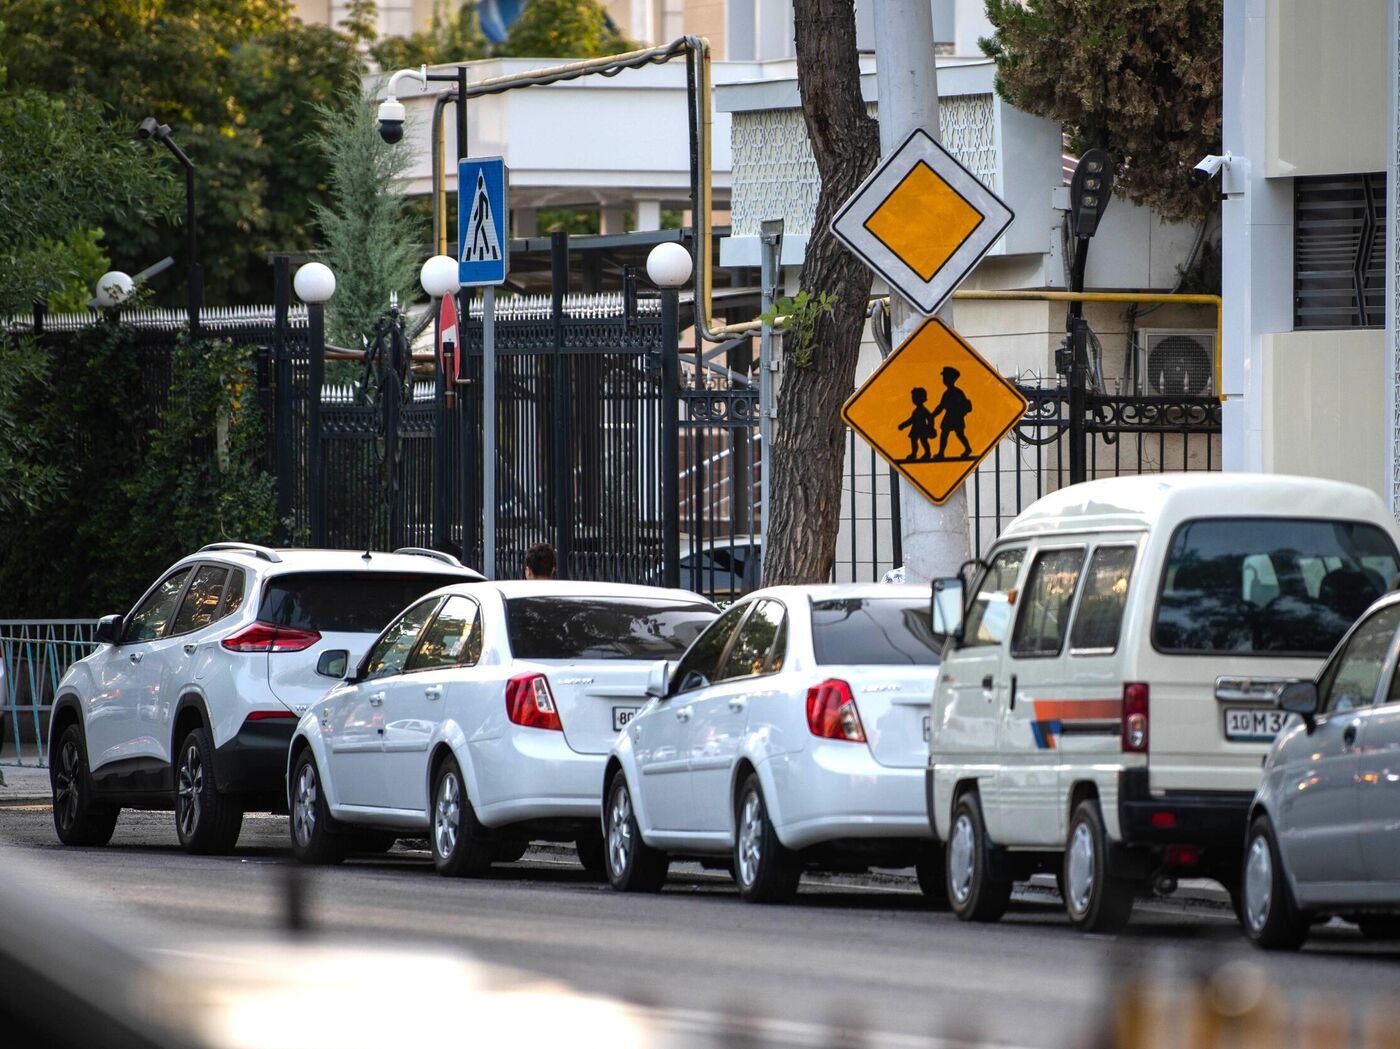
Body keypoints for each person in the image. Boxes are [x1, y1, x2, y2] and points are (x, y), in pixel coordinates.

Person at [930, 366, 973, 460]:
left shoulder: (955, 392)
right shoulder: (948, 392)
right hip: (950, 417)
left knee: (957, 434)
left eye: (945, 377)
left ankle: (967, 448)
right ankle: (942, 452)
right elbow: (941, 406)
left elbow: (941, 407)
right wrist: (932, 415)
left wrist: (933, 415)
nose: (943, 379)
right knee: (946, 433)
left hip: (955, 417)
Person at [897, 387, 934, 462]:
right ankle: (914, 453)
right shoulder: (916, 411)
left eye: (915, 397)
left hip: (922, 428)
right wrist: (903, 425)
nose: (913, 399)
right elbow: (911, 420)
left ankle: (927, 453)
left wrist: (930, 427)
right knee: (913, 441)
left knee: (923, 441)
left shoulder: (923, 410)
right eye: (913, 397)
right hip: (916, 428)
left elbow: (930, 418)